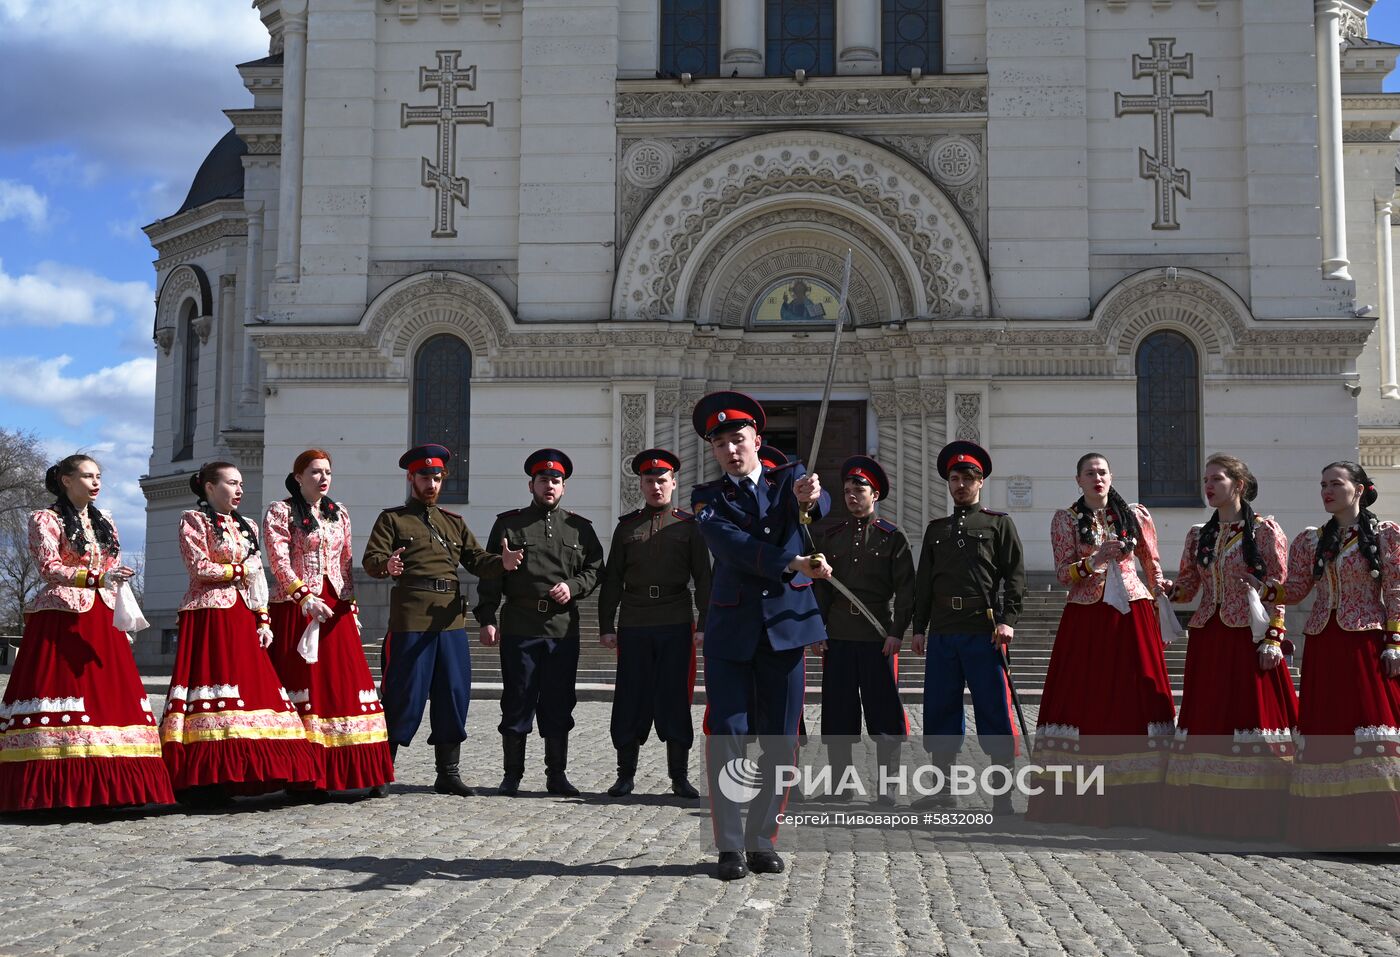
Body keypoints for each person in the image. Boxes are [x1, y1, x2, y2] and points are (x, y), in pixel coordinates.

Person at [689, 391, 831, 881]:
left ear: (757, 440)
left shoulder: (788, 479)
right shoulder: (707, 499)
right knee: (726, 736)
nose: (732, 449)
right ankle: (729, 847)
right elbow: (733, 545)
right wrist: (788, 562)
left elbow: (818, 505)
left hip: (787, 629)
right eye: (722, 442)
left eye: (739, 439)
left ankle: (762, 838)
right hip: (732, 632)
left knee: (780, 740)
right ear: (714, 450)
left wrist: (812, 498)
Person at [0, 455, 173, 812]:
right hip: (63, 618)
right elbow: (49, 567)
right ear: (65, 479)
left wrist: (114, 578)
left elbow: (109, 562)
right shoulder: (43, 519)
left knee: (108, 695)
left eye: (98, 476)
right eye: (87, 476)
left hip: (103, 613)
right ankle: (56, 786)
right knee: (65, 694)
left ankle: (114, 786)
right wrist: (94, 577)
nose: (96, 482)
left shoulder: (106, 520)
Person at [1025, 453, 1176, 827]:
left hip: (1133, 611)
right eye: (1090, 473)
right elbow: (1063, 573)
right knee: (1085, 692)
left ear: (1112, 477)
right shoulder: (1067, 519)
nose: (1098, 478)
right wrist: (1094, 562)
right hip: (1088, 614)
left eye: (1103, 472)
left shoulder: (1134, 515)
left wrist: (1162, 595)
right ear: (1078, 480)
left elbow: (1150, 561)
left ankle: (1145, 788)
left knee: (1136, 688)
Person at [362, 444, 520, 797]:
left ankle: (447, 772)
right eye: (424, 477)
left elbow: (478, 560)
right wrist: (386, 565)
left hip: (450, 620)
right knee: (403, 695)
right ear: (411, 478)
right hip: (411, 618)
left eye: (436, 477)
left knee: (453, 694)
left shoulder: (454, 522)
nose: (431, 483)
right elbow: (372, 558)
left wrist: (503, 563)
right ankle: (381, 771)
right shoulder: (393, 519)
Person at [161, 462, 319, 804]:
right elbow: (199, 566)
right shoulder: (194, 520)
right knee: (212, 688)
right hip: (207, 614)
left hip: (243, 614)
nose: (239, 490)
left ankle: (245, 771)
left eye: (241, 484)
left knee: (250, 689)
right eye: (232, 483)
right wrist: (237, 569)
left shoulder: (247, 525)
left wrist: (263, 618)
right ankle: (204, 776)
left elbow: (257, 578)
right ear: (209, 487)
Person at [1161, 453, 1297, 838]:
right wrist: (1169, 590)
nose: (1208, 485)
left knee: (1251, 717)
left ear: (1238, 485)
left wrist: (1274, 636)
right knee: (1209, 718)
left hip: (1247, 638)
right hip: (1209, 636)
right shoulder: (1198, 534)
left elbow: (1280, 587)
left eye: (1216, 479)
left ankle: (1255, 811)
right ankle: (1206, 810)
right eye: (1205, 479)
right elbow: (1189, 586)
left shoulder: (1266, 531)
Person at [1267, 462, 1400, 847]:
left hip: (1365, 641)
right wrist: (1265, 590)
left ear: (1359, 489)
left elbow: (1394, 591)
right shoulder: (1311, 540)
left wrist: (1394, 643)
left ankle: (1379, 824)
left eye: (1335, 484)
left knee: (1370, 723)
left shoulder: (1385, 534)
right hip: (1323, 643)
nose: (1326, 490)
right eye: (1323, 484)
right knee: (1327, 726)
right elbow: (1295, 590)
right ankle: (1328, 825)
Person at [264, 449, 393, 796]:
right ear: (298, 477)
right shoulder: (281, 511)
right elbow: (278, 561)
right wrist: (303, 596)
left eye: (327, 472)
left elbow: (346, 560)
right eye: (315, 472)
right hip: (295, 606)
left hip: (335, 605)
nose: (323, 478)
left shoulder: (340, 513)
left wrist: (351, 605)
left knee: (347, 684)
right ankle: (305, 773)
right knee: (305, 683)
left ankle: (361, 770)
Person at [476, 449, 604, 797]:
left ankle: (556, 775)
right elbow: (491, 573)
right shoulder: (509, 524)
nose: (550, 485)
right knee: (517, 699)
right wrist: (487, 617)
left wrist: (573, 586)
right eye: (544, 480)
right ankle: (512, 775)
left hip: (562, 629)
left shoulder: (580, 528)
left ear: (564, 487)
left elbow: (595, 569)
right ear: (531, 484)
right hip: (520, 626)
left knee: (559, 701)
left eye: (557, 481)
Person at [910, 441, 1025, 814]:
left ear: (980, 483)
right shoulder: (936, 529)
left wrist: (1008, 621)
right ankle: (943, 791)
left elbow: (1015, 577)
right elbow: (924, 582)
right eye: (955, 478)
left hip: (983, 631)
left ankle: (1002, 796)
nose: (960, 485)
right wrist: (919, 627)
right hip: (944, 631)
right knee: (940, 711)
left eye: (968, 479)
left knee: (993, 711)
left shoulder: (998, 524)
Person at [598, 448, 712, 800]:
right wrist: (606, 624)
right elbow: (613, 579)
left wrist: (703, 623)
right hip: (634, 622)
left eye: (662, 481)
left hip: (675, 621)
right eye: (649, 481)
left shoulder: (689, 527)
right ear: (641, 485)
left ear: (674, 483)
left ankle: (679, 777)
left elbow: (704, 578)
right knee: (630, 697)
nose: (656, 487)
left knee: (675, 697)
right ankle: (625, 775)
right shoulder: (626, 527)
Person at [813, 455, 914, 805]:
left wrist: (897, 631)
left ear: (875, 494)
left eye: (860, 489)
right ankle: (841, 786)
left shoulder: (892, 537)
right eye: (847, 490)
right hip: (839, 635)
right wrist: (818, 631)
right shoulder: (831, 536)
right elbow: (821, 589)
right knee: (838, 714)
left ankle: (887, 788)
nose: (852, 495)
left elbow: (906, 589)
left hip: (877, 638)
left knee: (884, 713)